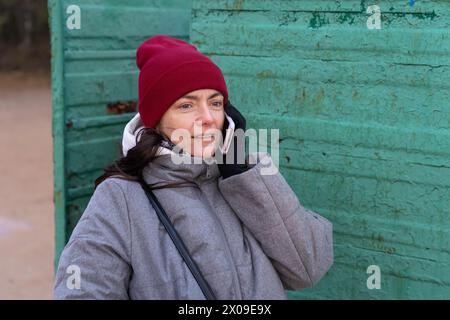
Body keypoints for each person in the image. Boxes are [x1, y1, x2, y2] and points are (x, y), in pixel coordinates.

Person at [54, 35, 333, 299]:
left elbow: (308, 269)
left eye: (215, 102)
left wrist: (243, 173)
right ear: (156, 119)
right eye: (186, 105)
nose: (208, 118)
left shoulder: (246, 177)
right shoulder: (120, 197)